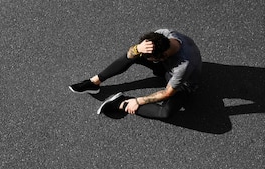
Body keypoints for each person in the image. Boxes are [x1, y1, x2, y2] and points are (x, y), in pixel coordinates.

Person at [69, 29, 202, 119]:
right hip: (166, 67)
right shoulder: (164, 34)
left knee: (165, 113)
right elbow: (130, 55)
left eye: (152, 60)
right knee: (135, 55)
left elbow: (168, 93)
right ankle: (94, 82)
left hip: (184, 83)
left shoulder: (184, 65)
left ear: (162, 57)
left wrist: (138, 101)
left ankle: (120, 102)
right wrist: (137, 49)